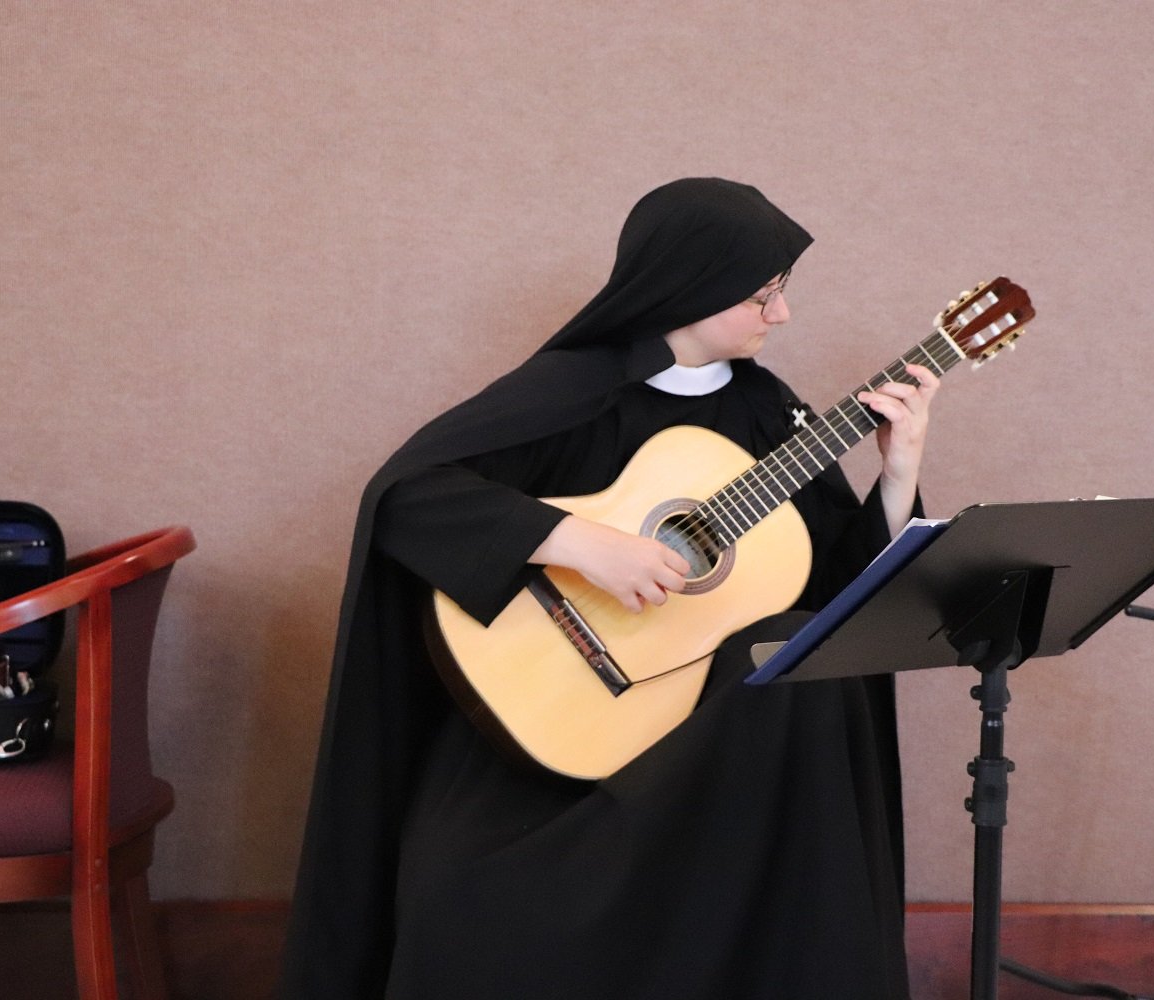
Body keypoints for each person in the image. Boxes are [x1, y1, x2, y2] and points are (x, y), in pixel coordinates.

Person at [281, 177, 940, 1000]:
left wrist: (898, 473)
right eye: (763, 296)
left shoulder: (771, 414)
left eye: (782, 295)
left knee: (794, 666)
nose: (782, 317)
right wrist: (581, 544)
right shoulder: (569, 389)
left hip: (711, 735)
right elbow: (406, 495)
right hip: (555, 723)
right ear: (691, 288)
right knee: (472, 898)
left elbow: (845, 598)